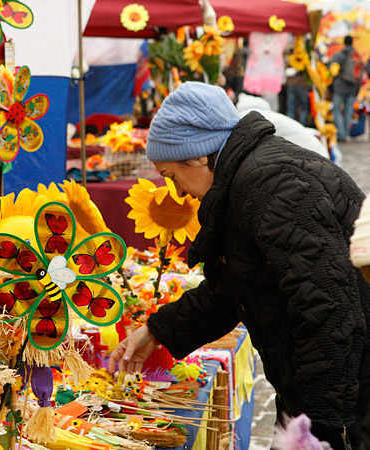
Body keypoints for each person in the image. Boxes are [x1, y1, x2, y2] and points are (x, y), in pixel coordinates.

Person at [108, 82, 370, 450]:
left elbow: (326, 307)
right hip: (321, 388)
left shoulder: (271, 183)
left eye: (171, 176)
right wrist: (157, 330)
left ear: (198, 156)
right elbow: (235, 288)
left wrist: (321, 424)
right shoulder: (246, 181)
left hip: (348, 395)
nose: (178, 192)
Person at [330, 36, 363, 142]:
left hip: (340, 87)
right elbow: (360, 74)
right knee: (348, 111)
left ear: (344, 43)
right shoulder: (357, 56)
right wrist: (356, 89)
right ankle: (346, 133)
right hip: (352, 88)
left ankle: (341, 134)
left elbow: (332, 71)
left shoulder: (339, 55)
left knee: (337, 110)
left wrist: (332, 86)